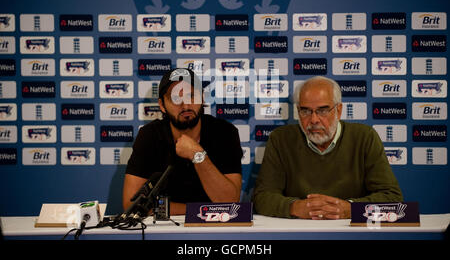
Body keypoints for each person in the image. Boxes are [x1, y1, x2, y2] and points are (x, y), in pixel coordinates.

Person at [252, 76, 403, 219]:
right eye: (305, 111)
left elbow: (391, 197)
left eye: (322, 110)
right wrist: (295, 207)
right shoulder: (280, 139)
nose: (314, 120)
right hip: (299, 231)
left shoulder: (364, 137)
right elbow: (262, 197)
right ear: (298, 111)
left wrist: (349, 209)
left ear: (339, 110)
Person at [123, 68, 243, 215]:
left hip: (214, 229)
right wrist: (196, 212)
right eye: (175, 98)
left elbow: (229, 203)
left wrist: (197, 154)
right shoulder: (150, 135)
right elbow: (130, 204)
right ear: (162, 105)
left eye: (191, 96)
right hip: (166, 230)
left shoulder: (224, 132)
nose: (185, 105)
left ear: (202, 98)